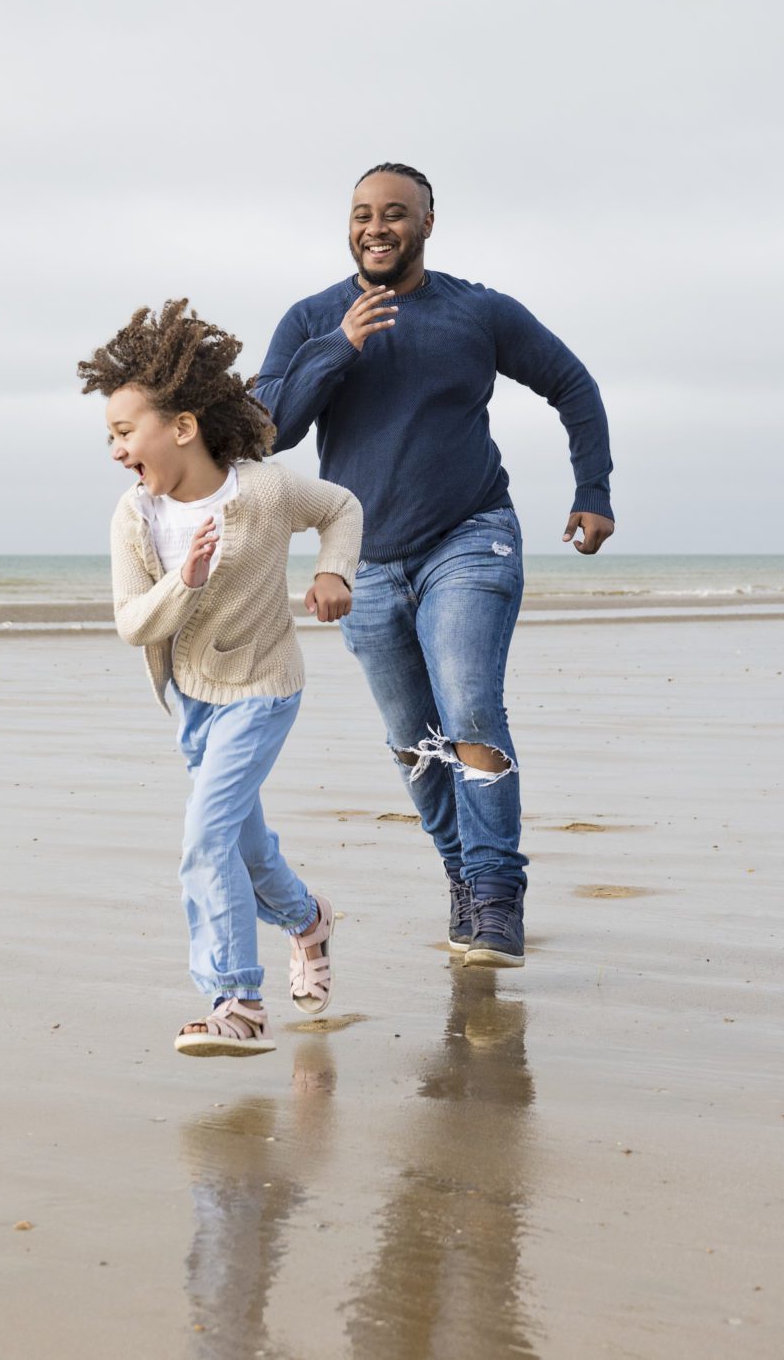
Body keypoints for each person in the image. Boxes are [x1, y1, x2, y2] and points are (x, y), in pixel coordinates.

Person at [255, 163, 615, 968]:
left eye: (394, 213)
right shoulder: (313, 317)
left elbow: (572, 383)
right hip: (365, 560)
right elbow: (265, 427)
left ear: (426, 221)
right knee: (412, 742)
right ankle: (462, 872)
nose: (375, 226)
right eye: (361, 214)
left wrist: (592, 486)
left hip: (470, 534)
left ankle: (494, 893)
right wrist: (337, 347)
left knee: (469, 710)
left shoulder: (475, 309)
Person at [80, 299, 364, 1056]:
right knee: (247, 849)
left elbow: (341, 506)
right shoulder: (134, 518)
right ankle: (309, 921)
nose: (114, 449)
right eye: (108, 435)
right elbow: (134, 621)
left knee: (205, 836)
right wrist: (187, 580)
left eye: (122, 431)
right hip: (195, 702)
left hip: (265, 686)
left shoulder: (264, 491)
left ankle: (237, 999)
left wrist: (334, 572)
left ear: (182, 426)